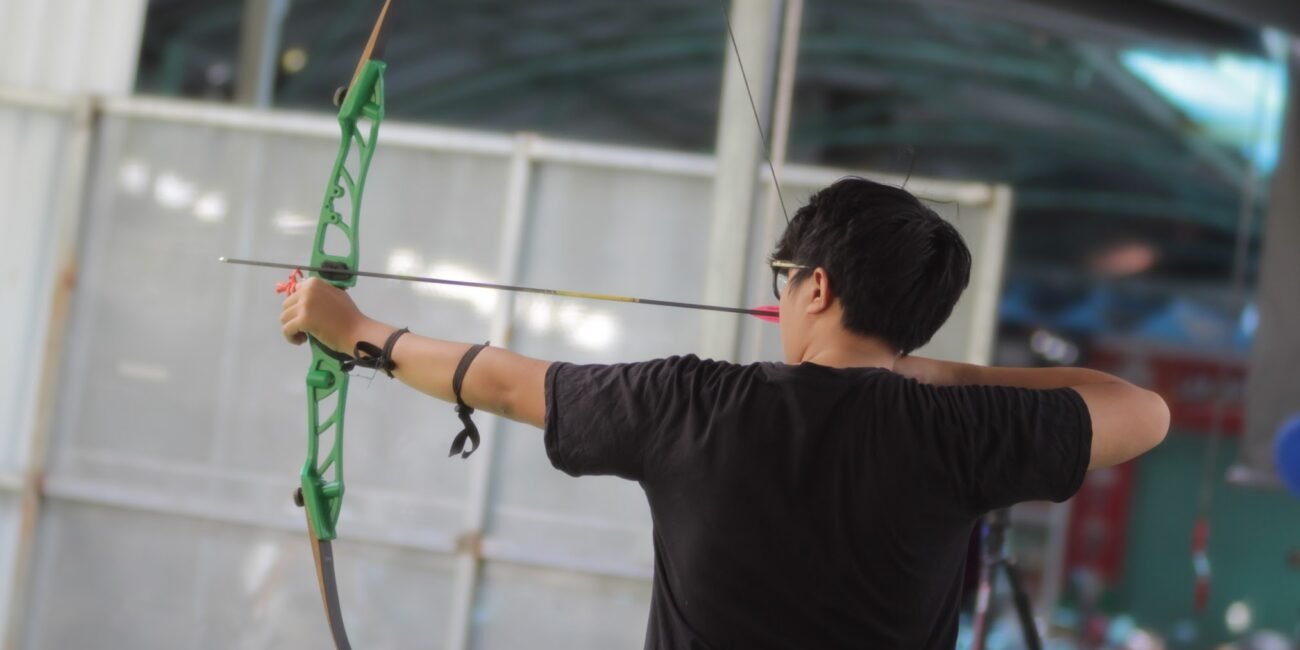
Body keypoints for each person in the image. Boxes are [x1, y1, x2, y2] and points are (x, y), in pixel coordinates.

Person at [279, 177, 1169, 648]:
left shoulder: (692, 403)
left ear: (817, 287)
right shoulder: (961, 433)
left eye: (784, 280)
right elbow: (1142, 412)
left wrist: (354, 331)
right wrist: (926, 372)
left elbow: (506, 383)